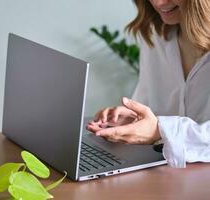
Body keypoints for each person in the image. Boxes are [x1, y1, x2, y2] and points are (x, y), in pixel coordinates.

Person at [86, 0, 210, 168]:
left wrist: (160, 130)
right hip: (166, 178)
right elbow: (151, 108)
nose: (158, 3)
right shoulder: (155, 34)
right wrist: (133, 121)